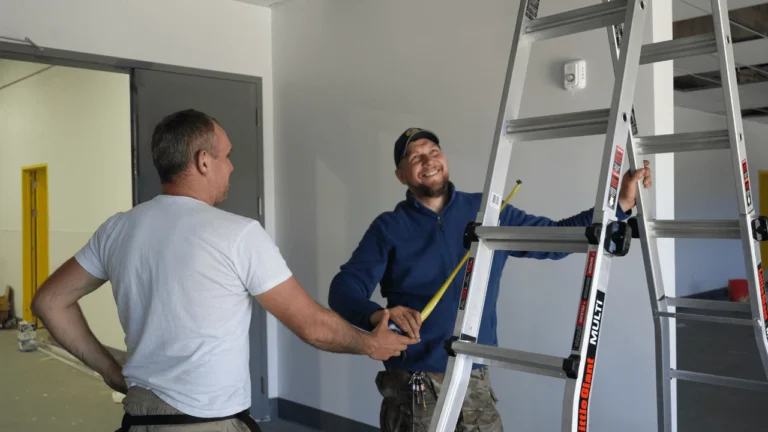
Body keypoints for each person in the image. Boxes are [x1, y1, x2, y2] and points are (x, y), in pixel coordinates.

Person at [31, 109, 417, 432]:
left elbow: (50, 302)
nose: (231, 167)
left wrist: (109, 369)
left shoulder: (117, 228)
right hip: (208, 423)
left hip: (140, 418)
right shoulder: (238, 234)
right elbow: (313, 326)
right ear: (202, 161)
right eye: (226, 156)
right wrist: (370, 343)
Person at [328, 127, 652, 431]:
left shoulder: (488, 211)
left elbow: (555, 239)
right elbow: (343, 289)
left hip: (475, 372)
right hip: (415, 382)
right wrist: (378, 316)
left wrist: (621, 204)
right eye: (415, 157)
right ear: (401, 175)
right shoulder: (388, 227)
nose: (428, 160)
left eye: (434, 151)